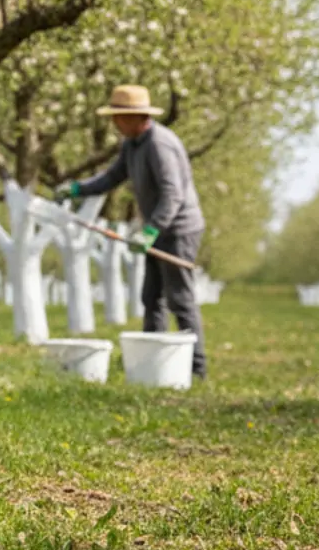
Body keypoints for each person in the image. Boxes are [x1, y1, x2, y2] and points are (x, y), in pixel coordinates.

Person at [54, 85, 208, 378]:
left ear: (137, 117)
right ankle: (153, 360)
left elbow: (173, 194)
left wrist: (151, 230)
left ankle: (196, 367)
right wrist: (78, 189)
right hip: (157, 228)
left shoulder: (159, 145)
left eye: (119, 117)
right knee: (151, 297)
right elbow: (112, 177)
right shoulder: (132, 144)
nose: (114, 124)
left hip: (179, 229)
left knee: (180, 298)